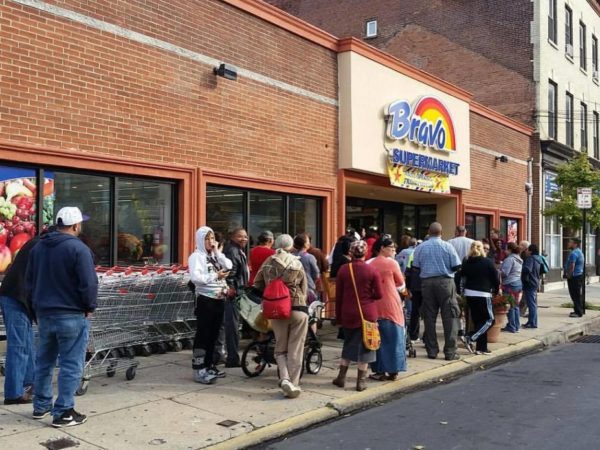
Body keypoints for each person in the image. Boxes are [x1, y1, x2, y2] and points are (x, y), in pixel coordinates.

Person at [26, 207, 97, 427]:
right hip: (71, 313)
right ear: (76, 226)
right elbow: (88, 283)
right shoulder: (79, 249)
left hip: (45, 313)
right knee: (71, 363)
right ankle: (64, 411)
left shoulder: (38, 248)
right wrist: (89, 306)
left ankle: (41, 406)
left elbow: (29, 282)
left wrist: (34, 310)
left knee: (45, 362)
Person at [254, 234, 308, 399]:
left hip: (276, 309)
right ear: (291, 246)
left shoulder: (268, 262)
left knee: (280, 349)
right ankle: (294, 383)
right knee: (296, 349)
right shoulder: (296, 262)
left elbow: (257, 283)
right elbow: (304, 287)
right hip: (297, 307)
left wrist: (270, 291)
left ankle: (284, 378)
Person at [332, 240, 383, 391]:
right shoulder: (372, 271)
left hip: (348, 312)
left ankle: (341, 378)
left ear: (351, 253)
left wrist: (338, 317)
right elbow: (379, 294)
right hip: (367, 313)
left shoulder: (343, 270)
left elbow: (339, 296)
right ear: (365, 253)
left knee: (348, 344)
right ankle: (360, 381)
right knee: (367, 345)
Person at [412, 222, 462, 361]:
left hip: (427, 283)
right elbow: (457, 266)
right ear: (441, 232)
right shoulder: (447, 246)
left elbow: (415, 267)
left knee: (429, 316)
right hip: (446, 282)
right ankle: (450, 352)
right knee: (450, 316)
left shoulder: (420, 247)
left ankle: (432, 350)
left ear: (429, 231)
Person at [189, 226, 232, 385]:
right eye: (207, 238)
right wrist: (216, 275)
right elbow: (196, 278)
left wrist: (218, 253)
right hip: (206, 300)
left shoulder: (213, 256)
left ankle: (209, 365)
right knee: (203, 335)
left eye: (212, 238)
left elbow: (229, 265)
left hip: (219, 298)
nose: (210, 242)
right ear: (200, 240)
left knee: (214, 335)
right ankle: (199, 368)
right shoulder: (196, 256)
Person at [0, 236, 40, 405]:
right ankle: (13, 393)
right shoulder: (44, 247)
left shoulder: (41, 243)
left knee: (27, 342)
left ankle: (29, 382)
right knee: (19, 345)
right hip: (16, 297)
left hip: (17, 295)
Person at [368, 237, 407, 381]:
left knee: (377, 339)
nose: (394, 250)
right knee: (395, 337)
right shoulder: (392, 263)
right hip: (391, 303)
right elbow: (401, 285)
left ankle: (379, 371)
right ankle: (394, 369)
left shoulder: (368, 263)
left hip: (374, 305)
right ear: (382, 248)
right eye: (391, 247)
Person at [461, 241, 499, 354]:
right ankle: (471, 337)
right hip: (483, 294)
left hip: (469, 294)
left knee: (479, 320)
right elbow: (495, 278)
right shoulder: (487, 262)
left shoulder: (467, 262)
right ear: (482, 249)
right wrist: (496, 290)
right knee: (490, 320)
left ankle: (481, 348)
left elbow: (462, 276)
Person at [223, 228, 249, 368]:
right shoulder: (232, 251)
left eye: (245, 236)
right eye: (240, 236)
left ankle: (222, 355)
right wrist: (232, 290)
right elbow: (231, 274)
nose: (244, 239)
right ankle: (232, 358)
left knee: (228, 325)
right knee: (231, 326)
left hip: (237, 292)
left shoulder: (238, 250)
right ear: (233, 237)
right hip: (232, 295)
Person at [500, 242, 523, 333]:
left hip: (510, 284)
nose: (505, 251)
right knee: (516, 306)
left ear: (509, 250)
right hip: (517, 283)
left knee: (510, 306)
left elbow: (505, 273)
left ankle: (512, 326)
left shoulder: (509, 259)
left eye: (506, 249)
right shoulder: (519, 259)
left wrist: (498, 271)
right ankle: (516, 326)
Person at [292, 234, 320, 304]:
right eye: (308, 241)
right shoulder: (310, 257)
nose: (309, 243)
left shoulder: (291, 256)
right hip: (308, 286)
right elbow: (316, 273)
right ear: (304, 244)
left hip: (293, 286)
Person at [405, 243, 423, 342]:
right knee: (429, 313)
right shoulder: (428, 253)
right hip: (426, 285)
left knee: (415, 312)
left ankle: (414, 335)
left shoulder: (414, 253)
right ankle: (426, 337)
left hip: (415, 286)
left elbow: (408, 272)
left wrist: (408, 288)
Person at [522, 244, 542, 328]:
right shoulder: (538, 259)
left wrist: (520, 267)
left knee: (531, 304)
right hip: (535, 281)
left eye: (527, 250)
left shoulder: (530, 259)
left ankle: (532, 323)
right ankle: (531, 321)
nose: (525, 251)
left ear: (530, 251)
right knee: (532, 303)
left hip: (529, 283)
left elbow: (527, 269)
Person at [564, 238, 585, 318]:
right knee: (576, 294)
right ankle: (577, 310)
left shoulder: (574, 253)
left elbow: (572, 266)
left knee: (575, 295)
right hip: (578, 275)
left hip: (574, 276)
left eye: (570, 242)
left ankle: (579, 312)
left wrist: (569, 275)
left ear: (575, 244)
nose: (568, 243)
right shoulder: (579, 252)